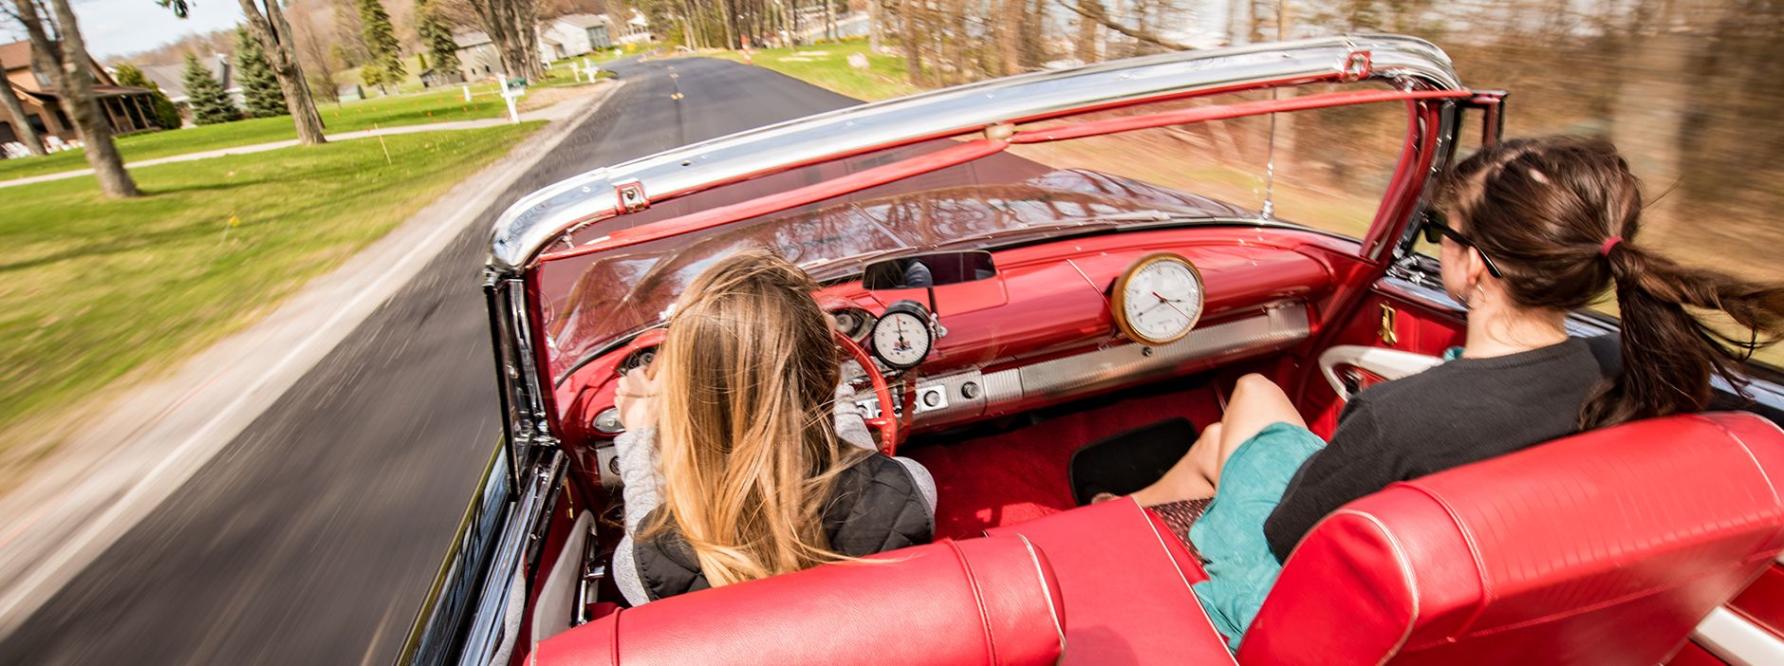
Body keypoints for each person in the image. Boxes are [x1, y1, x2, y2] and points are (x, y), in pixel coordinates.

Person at [1130, 136, 1784, 647]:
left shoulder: (1402, 421)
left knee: (1248, 395)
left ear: (1473, 265)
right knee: (1220, 440)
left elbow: (1282, 531)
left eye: (1443, 230)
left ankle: (1114, 521)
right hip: (1478, 589)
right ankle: (1127, 507)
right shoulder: (1635, 368)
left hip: (1309, 596)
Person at [609, 250, 937, 605]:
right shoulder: (909, 488)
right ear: (825, 377)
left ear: (683, 400)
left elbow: (648, 528)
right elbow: (859, 468)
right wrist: (830, 372)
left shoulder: (642, 566)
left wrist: (641, 435)